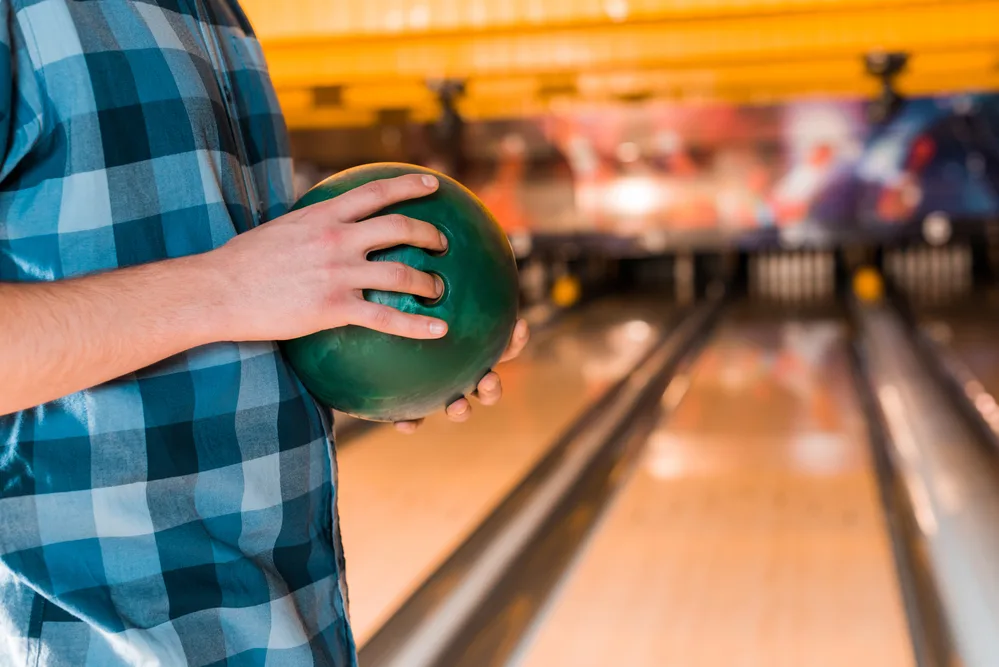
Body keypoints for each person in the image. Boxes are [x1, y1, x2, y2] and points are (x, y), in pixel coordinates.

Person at [0, 2, 528, 666]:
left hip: (291, 629)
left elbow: (250, 308)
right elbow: (235, 288)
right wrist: (226, 287)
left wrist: (403, 343)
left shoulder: (218, 15)